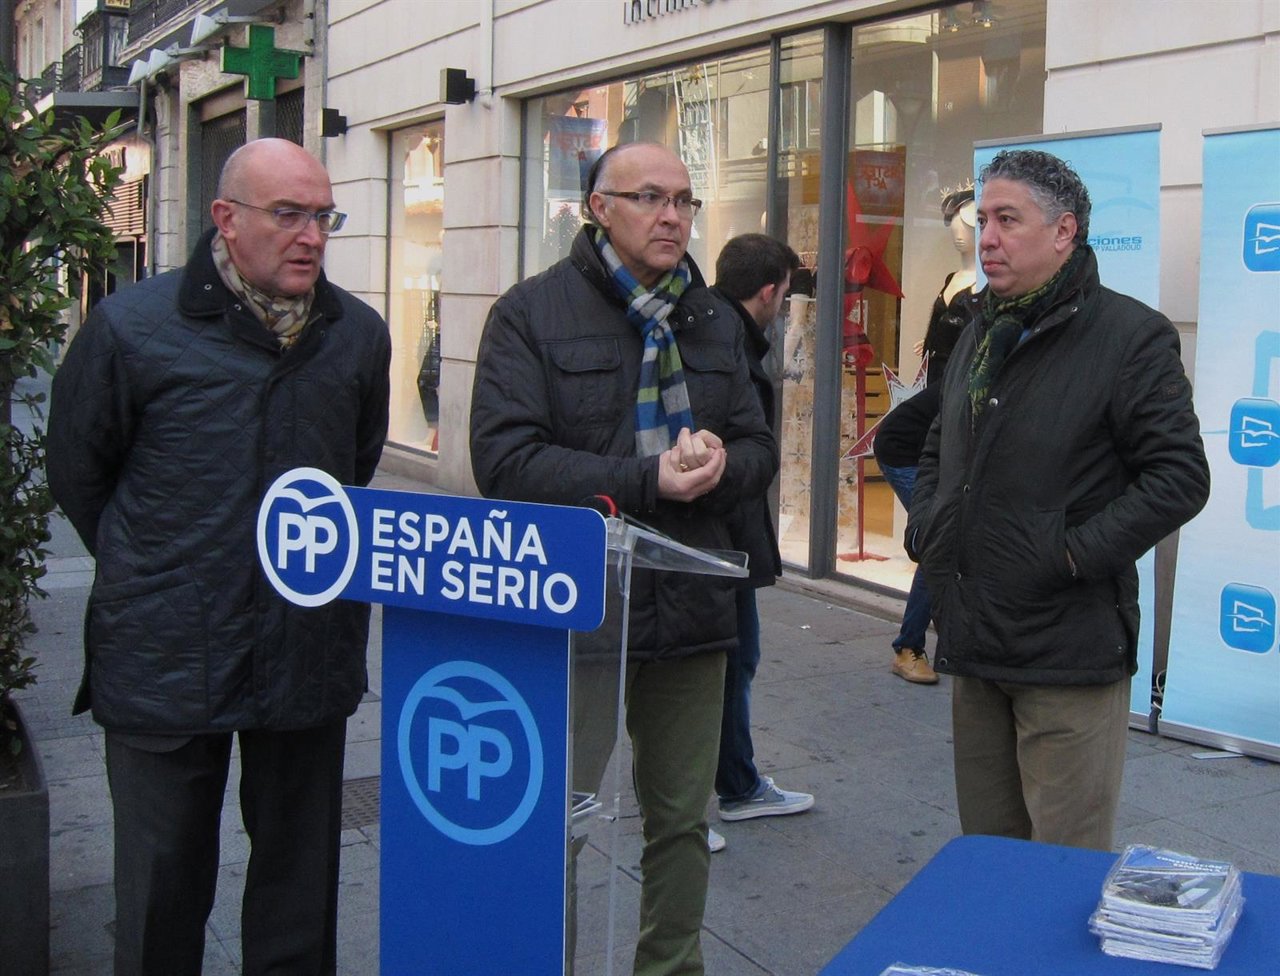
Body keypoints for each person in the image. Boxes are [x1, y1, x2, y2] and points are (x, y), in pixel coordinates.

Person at [47, 138, 391, 975]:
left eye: (323, 216)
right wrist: (157, 566)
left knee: (297, 902)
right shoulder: (131, 329)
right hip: (164, 654)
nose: (311, 234)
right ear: (226, 221)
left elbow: (357, 463)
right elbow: (78, 471)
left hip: (305, 647)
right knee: (161, 898)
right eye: (288, 214)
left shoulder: (357, 335)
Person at [470, 141, 776, 976]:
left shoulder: (712, 317)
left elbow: (758, 444)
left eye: (685, 200)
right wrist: (646, 480)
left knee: (679, 820)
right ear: (598, 207)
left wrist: (719, 466)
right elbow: (505, 463)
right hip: (576, 612)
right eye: (650, 197)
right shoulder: (531, 313)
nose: (674, 215)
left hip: (692, 604)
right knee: (556, 817)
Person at [905, 149, 1209, 851]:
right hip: (976, 641)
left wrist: (1066, 554)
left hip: (1067, 654)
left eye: (1008, 220)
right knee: (986, 858)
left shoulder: (1131, 337)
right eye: (984, 219)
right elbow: (936, 438)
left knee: (1063, 873)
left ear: (1065, 231)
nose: (986, 238)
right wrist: (929, 527)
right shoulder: (982, 326)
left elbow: (1179, 478)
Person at [709, 234, 814, 833]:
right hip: (715, 538)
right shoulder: (725, 341)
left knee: (732, 657)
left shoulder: (724, 331)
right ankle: (727, 787)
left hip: (722, 534)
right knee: (725, 660)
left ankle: (730, 780)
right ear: (770, 291)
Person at [873, 381, 942, 684]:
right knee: (937, 544)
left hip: (920, 451)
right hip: (903, 452)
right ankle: (907, 648)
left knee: (947, 540)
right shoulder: (978, 378)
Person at [916, 189, 979, 386]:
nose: (959, 236)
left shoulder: (983, 284)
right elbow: (939, 317)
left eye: (966, 229)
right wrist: (929, 341)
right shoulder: (952, 279)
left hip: (958, 373)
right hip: (934, 368)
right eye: (955, 228)